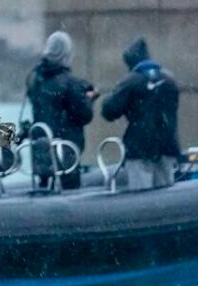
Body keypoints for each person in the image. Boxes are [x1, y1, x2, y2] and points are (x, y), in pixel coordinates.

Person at [101, 37, 180, 191]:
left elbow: (109, 111)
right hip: (167, 145)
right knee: (166, 194)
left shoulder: (131, 82)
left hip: (140, 147)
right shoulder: (169, 81)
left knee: (141, 197)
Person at [25, 31, 97, 190]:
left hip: (41, 150)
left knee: (44, 190)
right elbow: (84, 115)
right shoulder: (70, 83)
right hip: (66, 151)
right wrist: (89, 99)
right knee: (69, 191)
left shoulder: (35, 80)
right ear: (67, 53)